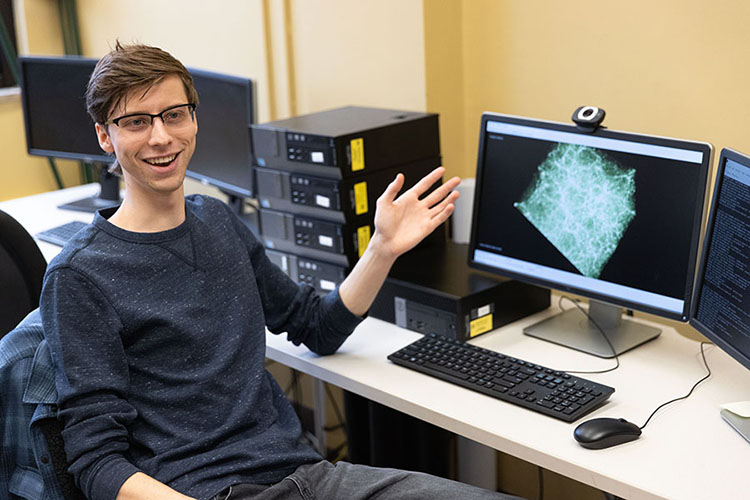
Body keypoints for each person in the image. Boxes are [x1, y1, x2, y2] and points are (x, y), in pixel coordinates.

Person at [40, 43, 519, 500]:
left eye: (174, 115)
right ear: (105, 135)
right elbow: (96, 463)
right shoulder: (80, 276)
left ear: (193, 119)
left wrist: (382, 249)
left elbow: (315, 325)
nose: (162, 137)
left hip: (307, 477)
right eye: (136, 122)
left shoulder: (218, 220)